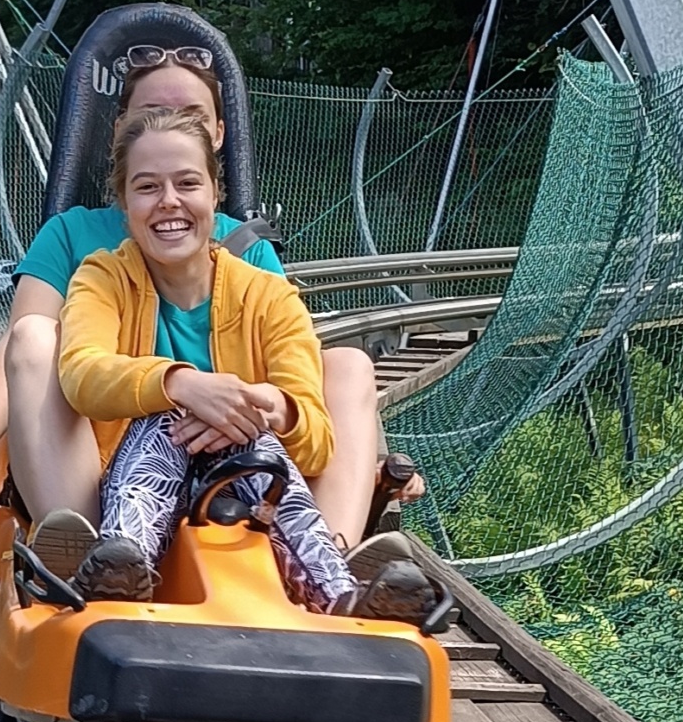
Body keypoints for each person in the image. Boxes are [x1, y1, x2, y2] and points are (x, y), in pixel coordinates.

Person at [0, 46, 421, 552]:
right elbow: (24, 346)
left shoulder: (252, 262)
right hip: (101, 450)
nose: (171, 129)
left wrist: (272, 412)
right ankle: (85, 547)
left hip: (229, 449)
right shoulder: (83, 247)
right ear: (123, 131)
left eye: (190, 119)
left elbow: (295, 368)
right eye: (153, 114)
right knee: (36, 334)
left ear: (215, 140)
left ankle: (331, 554)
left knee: (349, 364)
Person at [55, 105, 438, 621]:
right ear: (124, 203)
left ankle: (336, 591)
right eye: (147, 187)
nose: (169, 201)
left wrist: (272, 407)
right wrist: (182, 385)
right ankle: (123, 565)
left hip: (246, 482)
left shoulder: (268, 295)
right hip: (135, 467)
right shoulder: (102, 277)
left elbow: (318, 442)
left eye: (187, 183)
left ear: (215, 194)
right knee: (161, 424)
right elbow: (83, 373)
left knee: (255, 440)